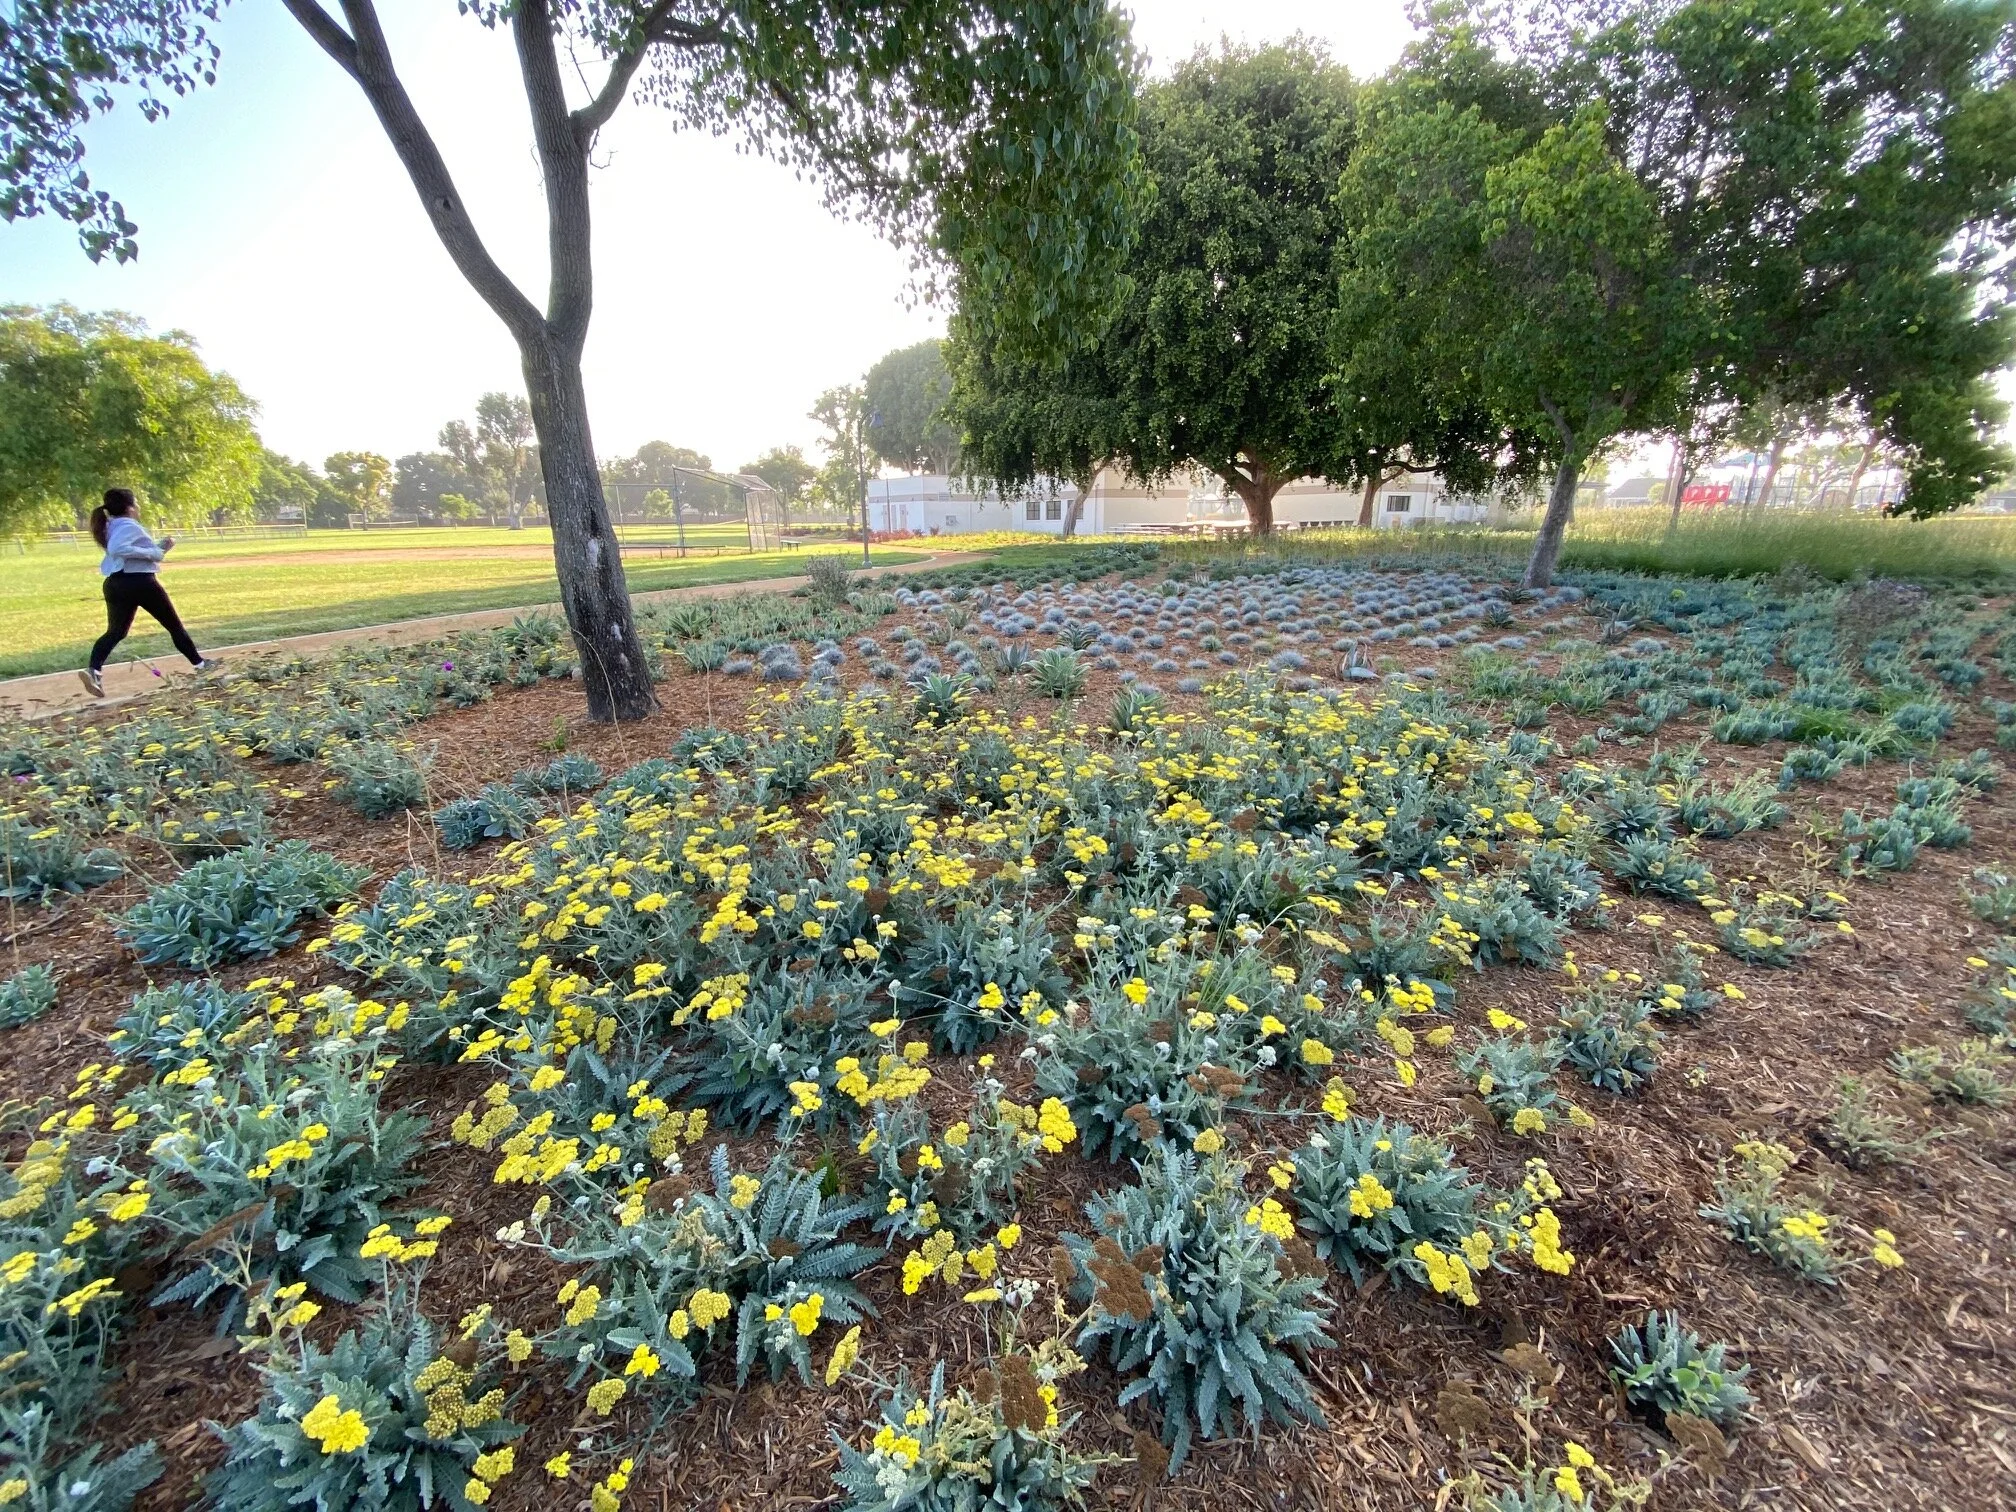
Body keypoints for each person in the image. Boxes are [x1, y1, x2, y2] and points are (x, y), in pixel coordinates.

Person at [79, 488, 223, 697]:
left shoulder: (110, 525)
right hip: (140, 582)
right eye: (136, 504)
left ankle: (94, 670)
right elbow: (118, 549)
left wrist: (160, 548)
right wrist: (154, 552)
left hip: (115, 583)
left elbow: (125, 550)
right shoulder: (129, 524)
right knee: (173, 625)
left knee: (116, 632)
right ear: (130, 507)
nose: (138, 508)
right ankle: (201, 665)